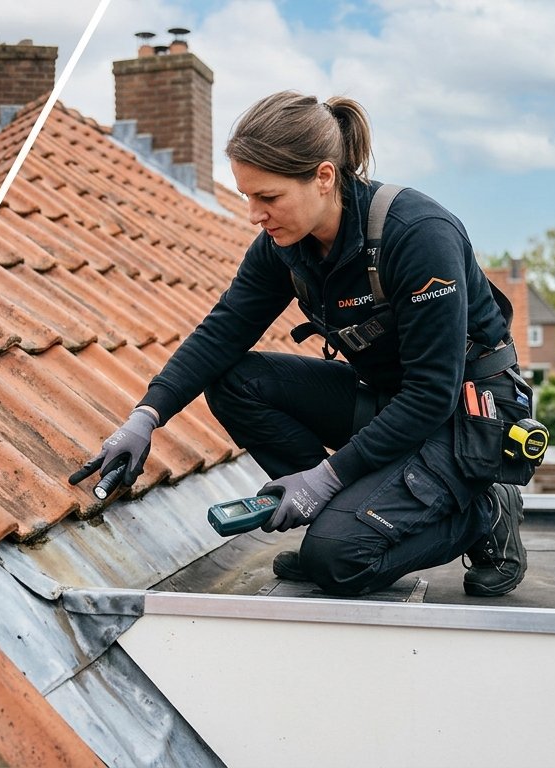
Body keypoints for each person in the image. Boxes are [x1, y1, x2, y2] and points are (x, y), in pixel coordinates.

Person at [74, 91, 531, 597]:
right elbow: (222, 333)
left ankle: (485, 514)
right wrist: (146, 415)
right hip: (387, 404)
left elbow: (431, 394)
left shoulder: (418, 236)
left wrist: (327, 477)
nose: (254, 214)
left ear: (324, 177)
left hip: (466, 415)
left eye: (267, 198)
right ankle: (346, 516)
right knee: (236, 381)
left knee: (337, 562)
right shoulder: (284, 247)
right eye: (248, 196)